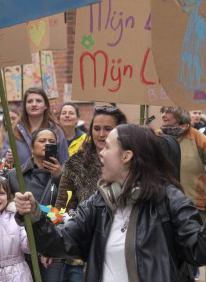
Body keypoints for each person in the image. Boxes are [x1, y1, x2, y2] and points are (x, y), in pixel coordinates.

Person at [15, 124, 206, 281]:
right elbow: (60, 243)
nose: (100, 154)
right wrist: (35, 216)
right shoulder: (99, 203)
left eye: (108, 147)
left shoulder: (169, 199)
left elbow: (199, 251)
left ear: (126, 156)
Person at [54, 105, 127, 282]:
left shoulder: (130, 162)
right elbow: (62, 207)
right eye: (96, 128)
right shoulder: (76, 163)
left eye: (108, 129)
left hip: (120, 250)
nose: (101, 134)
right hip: (83, 253)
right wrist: (54, 243)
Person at [6, 128, 64, 282]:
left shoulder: (64, 176)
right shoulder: (15, 175)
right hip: (23, 247)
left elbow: (69, 207)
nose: (47, 144)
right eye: (42, 141)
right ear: (31, 147)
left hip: (52, 247)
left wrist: (59, 178)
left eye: (51, 142)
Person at [158, 106, 206, 220]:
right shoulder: (158, 136)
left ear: (180, 114)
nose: (163, 115)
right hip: (163, 203)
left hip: (193, 203)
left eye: (168, 112)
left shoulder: (195, 136)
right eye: (162, 112)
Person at [2, 88, 69, 169]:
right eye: (30, 101)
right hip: (21, 181)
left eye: (38, 101)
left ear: (46, 105)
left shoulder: (56, 131)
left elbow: (65, 164)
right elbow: (3, 168)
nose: (34, 104)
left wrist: (57, 174)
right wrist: (8, 161)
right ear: (25, 106)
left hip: (49, 180)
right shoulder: (14, 131)